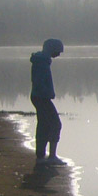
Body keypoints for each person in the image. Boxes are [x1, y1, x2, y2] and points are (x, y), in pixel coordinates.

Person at [31, 38, 65, 167]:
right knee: (55, 124)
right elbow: (39, 82)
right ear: (52, 49)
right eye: (58, 51)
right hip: (41, 97)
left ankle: (42, 155)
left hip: (39, 96)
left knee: (44, 125)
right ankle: (51, 156)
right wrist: (48, 93)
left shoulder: (42, 60)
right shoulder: (42, 62)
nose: (58, 55)